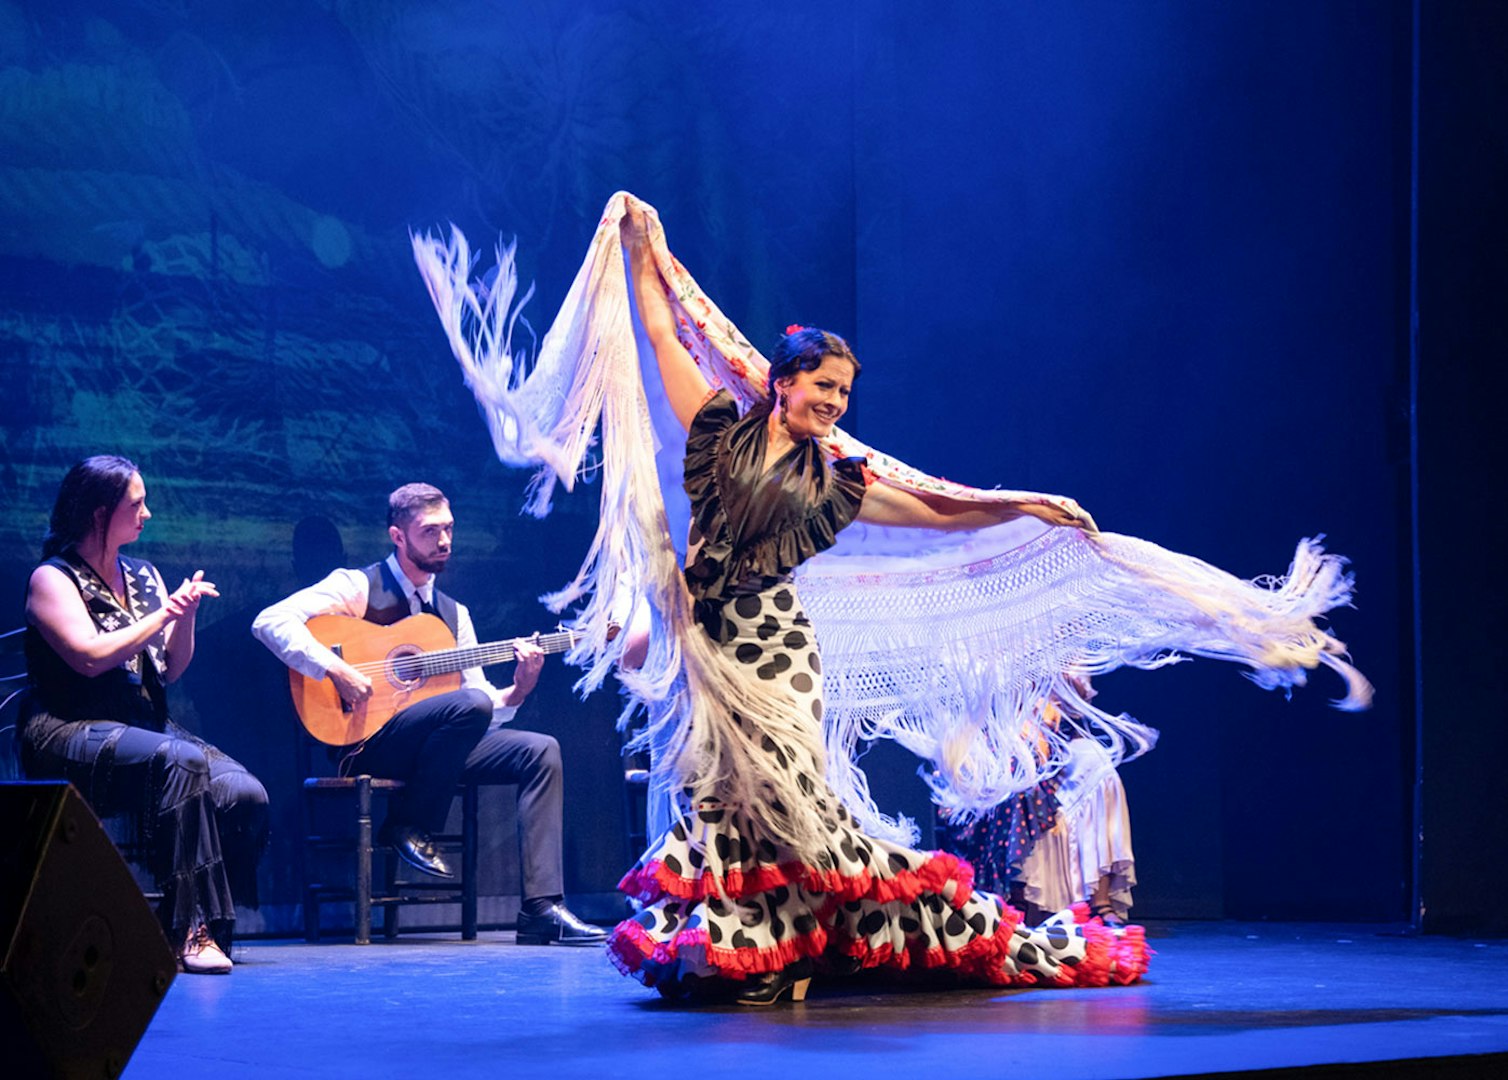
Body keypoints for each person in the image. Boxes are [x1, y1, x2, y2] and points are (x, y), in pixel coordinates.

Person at [599, 205, 1146, 1003]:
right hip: (712, 646)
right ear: (782, 384)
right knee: (727, 798)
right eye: (824, 386)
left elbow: (935, 509)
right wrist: (644, 249)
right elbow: (660, 334)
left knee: (784, 796)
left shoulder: (839, 479)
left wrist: (1023, 506)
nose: (836, 402)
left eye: (845, 392)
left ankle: (783, 950)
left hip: (777, 648)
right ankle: (754, 947)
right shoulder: (717, 428)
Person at [251, 483, 607, 946]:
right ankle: (408, 824)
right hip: (367, 743)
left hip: (435, 749)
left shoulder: (453, 614)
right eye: (431, 531)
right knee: (470, 706)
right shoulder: (357, 586)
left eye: (449, 529)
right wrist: (335, 668)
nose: (444, 541)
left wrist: (519, 688)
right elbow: (269, 622)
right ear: (398, 536)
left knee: (540, 750)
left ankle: (540, 908)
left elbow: (479, 703)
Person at [19, 455, 269, 975]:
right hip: (70, 727)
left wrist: (186, 618)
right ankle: (189, 931)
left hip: (142, 725)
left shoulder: (142, 575)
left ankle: (188, 926)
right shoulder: (53, 579)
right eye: (136, 504)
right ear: (98, 514)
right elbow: (88, 657)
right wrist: (164, 612)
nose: (147, 514)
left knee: (245, 793)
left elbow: (169, 669)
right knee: (181, 764)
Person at [938, 675, 1139, 929]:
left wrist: (1062, 682)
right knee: (1020, 773)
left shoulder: (1050, 644)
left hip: (1054, 741)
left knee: (1099, 767)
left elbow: (1076, 703)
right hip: (994, 734)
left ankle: (1099, 900)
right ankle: (1017, 898)